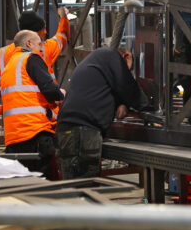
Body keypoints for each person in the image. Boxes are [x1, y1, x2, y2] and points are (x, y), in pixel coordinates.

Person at [55, 47, 149, 179]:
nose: (129, 72)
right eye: (129, 68)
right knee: (87, 185)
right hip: (82, 133)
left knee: (72, 185)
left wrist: (123, 104)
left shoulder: (97, 61)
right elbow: (126, 84)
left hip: (66, 130)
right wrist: (147, 107)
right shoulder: (111, 55)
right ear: (126, 56)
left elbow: (108, 89)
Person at [0, 30, 66, 179]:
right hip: (35, 133)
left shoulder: (9, 66)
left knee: (24, 186)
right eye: (39, 44)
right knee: (47, 187)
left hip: (13, 139)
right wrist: (61, 93)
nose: (42, 49)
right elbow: (50, 90)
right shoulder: (31, 58)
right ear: (29, 43)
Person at [0, 7, 70, 98]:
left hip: (12, 107)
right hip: (42, 109)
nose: (45, 32)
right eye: (43, 29)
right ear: (34, 33)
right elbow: (62, 37)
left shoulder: (2, 53)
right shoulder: (44, 49)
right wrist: (63, 17)